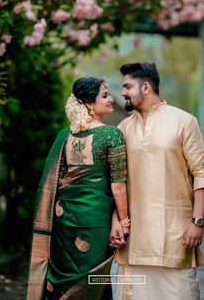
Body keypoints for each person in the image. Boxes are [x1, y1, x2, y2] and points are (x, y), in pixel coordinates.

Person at [110, 63, 204, 300]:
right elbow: (115, 180)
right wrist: (116, 220)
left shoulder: (184, 121)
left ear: (146, 87)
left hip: (175, 235)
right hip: (134, 238)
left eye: (127, 86)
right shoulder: (123, 128)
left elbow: (201, 172)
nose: (123, 92)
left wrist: (197, 221)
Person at [26, 77, 130, 300]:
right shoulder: (111, 134)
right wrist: (124, 222)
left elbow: (58, 179)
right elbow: (119, 185)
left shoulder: (64, 136)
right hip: (95, 220)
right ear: (89, 104)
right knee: (96, 276)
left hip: (63, 219)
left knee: (64, 272)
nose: (112, 99)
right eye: (105, 95)